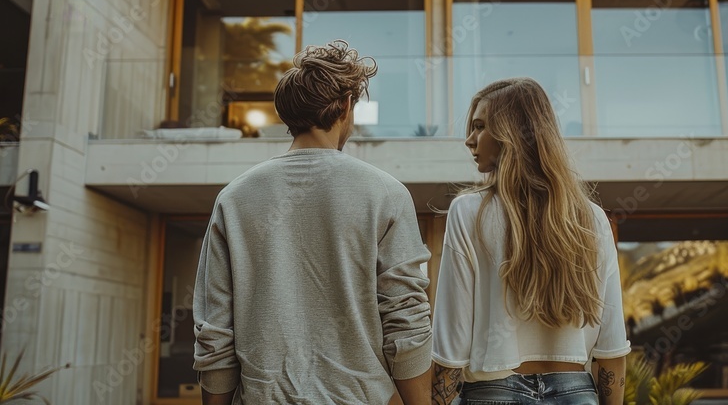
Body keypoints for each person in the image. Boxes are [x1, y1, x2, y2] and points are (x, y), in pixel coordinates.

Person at [192, 40, 432, 404]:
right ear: (347, 106)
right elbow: (406, 319)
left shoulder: (235, 198)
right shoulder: (386, 193)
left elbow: (216, 330)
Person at [431, 77, 630, 405]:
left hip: (492, 393)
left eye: (479, 127)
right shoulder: (590, 218)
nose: (469, 140)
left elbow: (451, 351)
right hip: (577, 393)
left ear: (510, 133)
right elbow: (611, 348)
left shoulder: (468, 212)